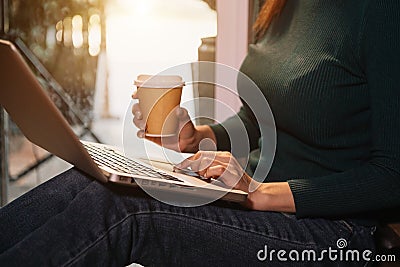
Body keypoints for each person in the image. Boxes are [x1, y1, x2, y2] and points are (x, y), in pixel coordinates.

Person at [1, 0, 399, 266]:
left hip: (340, 233)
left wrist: (259, 194)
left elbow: (392, 175)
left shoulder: (381, 12)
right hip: (252, 194)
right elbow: (257, 122)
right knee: (93, 178)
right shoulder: (279, 6)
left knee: (124, 208)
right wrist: (196, 137)